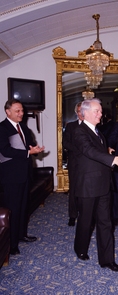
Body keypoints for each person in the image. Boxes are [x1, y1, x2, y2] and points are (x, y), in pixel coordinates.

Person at [72, 98, 118, 272]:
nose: (101, 113)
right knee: (85, 221)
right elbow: (89, 151)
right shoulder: (79, 131)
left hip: (104, 184)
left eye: (100, 110)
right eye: (97, 111)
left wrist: (110, 154)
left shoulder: (99, 132)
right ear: (85, 113)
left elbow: (98, 153)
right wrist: (114, 160)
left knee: (106, 223)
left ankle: (107, 260)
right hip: (88, 185)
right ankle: (80, 248)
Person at [0, 99, 45, 255]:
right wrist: (28, 152)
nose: (21, 114)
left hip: (25, 174)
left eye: (22, 111)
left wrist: (34, 148)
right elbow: (5, 151)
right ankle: (11, 245)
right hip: (10, 177)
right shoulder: (2, 128)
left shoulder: (24, 128)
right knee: (13, 209)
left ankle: (21, 235)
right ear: (8, 112)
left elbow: (30, 144)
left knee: (23, 207)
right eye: (17, 111)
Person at [62, 101, 84, 226]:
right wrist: (80, 150)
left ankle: (85, 214)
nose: (81, 113)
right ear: (76, 112)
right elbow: (65, 143)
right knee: (74, 190)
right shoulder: (70, 126)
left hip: (88, 164)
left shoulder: (91, 126)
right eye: (79, 111)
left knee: (86, 191)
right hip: (75, 163)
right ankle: (72, 215)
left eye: (83, 110)